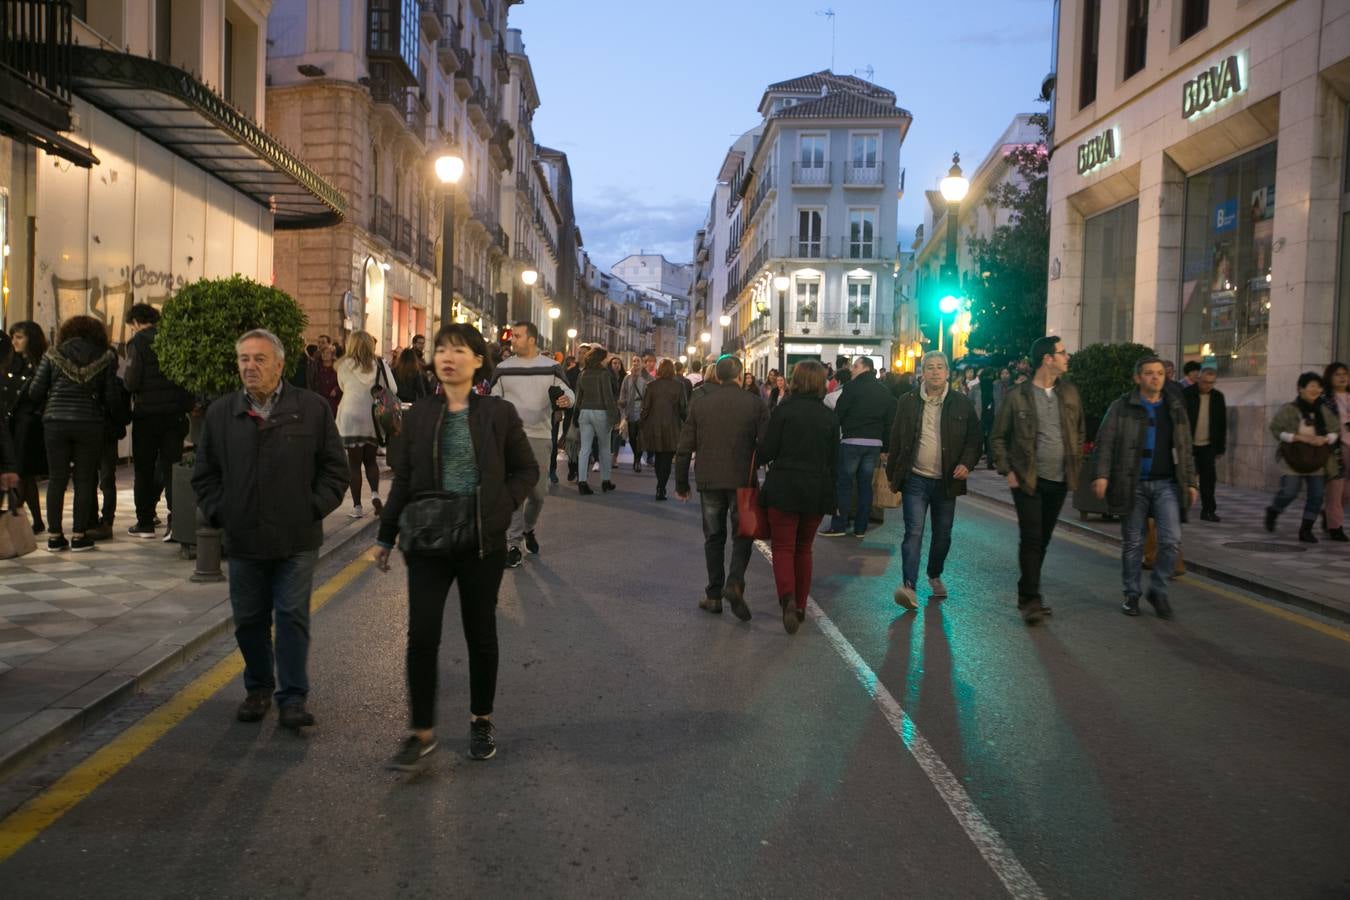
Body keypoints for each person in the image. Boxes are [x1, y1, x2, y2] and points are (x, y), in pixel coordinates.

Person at [374, 323, 537, 770]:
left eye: (459, 350)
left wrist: (501, 506)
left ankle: (481, 718)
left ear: (479, 360)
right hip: (427, 540)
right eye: (442, 349)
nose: (447, 357)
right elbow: (404, 479)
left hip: (479, 542)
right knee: (422, 635)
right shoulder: (420, 414)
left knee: (480, 633)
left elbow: (526, 470)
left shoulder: (498, 414)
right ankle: (421, 730)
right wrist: (386, 537)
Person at [192, 329, 348, 729]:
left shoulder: (311, 408)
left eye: (259, 359)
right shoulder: (221, 412)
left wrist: (312, 507)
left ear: (280, 365)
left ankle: (293, 697)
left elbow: (335, 469)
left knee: (292, 615)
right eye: (244, 359)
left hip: (296, 538)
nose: (250, 366)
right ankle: (258, 688)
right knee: (248, 619)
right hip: (243, 536)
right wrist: (220, 511)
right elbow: (204, 472)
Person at [1093, 357, 1198, 618]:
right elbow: (1104, 443)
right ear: (1137, 378)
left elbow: (1185, 447)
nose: (1155, 378)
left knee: (1171, 541)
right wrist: (1102, 475)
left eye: (1160, 373)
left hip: (1167, 484)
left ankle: (1158, 590)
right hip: (1133, 483)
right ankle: (1131, 593)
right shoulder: (1122, 407)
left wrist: (1191, 480)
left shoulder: (1174, 407)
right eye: (1149, 373)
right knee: (1133, 542)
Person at [991, 336, 1085, 624]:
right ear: (1047, 358)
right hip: (1027, 479)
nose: (1067, 357)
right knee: (1031, 538)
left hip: (1059, 479)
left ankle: (1026, 591)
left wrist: (1075, 461)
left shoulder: (1069, 393)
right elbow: (997, 437)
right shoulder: (1017, 396)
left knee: (1042, 540)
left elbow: (1079, 432)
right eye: (1062, 352)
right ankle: (1031, 599)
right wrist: (1008, 470)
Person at [885, 351, 983, 609]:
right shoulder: (907, 401)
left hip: (946, 481)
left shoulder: (961, 403)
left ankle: (934, 574)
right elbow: (896, 438)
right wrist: (892, 475)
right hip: (915, 479)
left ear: (948, 372)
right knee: (913, 532)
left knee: (943, 535)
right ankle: (909, 586)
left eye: (940, 367)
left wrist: (966, 463)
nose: (935, 372)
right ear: (922, 372)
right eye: (930, 367)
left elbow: (975, 439)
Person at [675, 355, 767, 621]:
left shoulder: (701, 404)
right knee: (744, 534)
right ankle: (735, 581)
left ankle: (714, 594)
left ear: (717, 375)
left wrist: (682, 483)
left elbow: (684, 447)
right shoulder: (755, 404)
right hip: (744, 480)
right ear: (740, 375)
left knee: (713, 537)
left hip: (709, 479)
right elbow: (766, 444)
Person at [27, 315, 119, 552]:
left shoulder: (52, 355)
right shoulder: (105, 357)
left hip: (55, 423)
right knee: (85, 479)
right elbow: (111, 398)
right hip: (89, 423)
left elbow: (35, 392)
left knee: (57, 480)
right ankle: (79, 535)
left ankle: (55, 536)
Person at [758, 360, 836, 634]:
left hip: (784, 486)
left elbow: (767, 450)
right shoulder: (829, 416)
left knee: (783, 547)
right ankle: (801, 605)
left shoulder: (784, 410)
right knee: (804, 548)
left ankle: (787, 598)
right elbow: (834, 459)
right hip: (815, 488)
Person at [490, 321, 574, 567]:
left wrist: (565, 401)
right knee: (515, 492)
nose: (512, 340)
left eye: (517, 336)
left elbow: (569, 393)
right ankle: (513, 544)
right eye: (512, 336)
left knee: (538, 493)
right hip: (511, 437)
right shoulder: (503, 368)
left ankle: (528, 528)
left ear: (531, 339)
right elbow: (493, 400)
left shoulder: (552, 367)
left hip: (540, 436)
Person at [122, 304, 193, 539]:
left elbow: (131, 381)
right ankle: (176, 521)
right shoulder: (175, 339)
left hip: (147, 415)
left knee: (143, 468)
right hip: (173, 414)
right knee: (171, 467)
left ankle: (145, 522)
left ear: (135, 322)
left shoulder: (138, 342)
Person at [822, 356, 896, 538]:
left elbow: (839, 411)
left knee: (844, 484)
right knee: (865, 485)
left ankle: (840, 524)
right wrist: (886, 447)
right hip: (874, 444)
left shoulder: (851, 388)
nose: (852, 370)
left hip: (852, 441)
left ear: (865, 368)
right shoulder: (883, 391)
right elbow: (889, 422)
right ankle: (860, 527)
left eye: (855, 366)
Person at [1265, 371, 1341, 543]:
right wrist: (1298, 437)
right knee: (1289, 492)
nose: (1316, 390)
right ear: (1300, 389)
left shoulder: (1323, 410)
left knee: (1316, 496)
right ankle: (1274, 510)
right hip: (1293, 457)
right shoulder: (1290, 409)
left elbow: (1335, 430)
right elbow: (1276, 429)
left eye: (1318, 386)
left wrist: (1325, 439)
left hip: (1317, 458)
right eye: (1311, 386)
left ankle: (1306, 530)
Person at [335, 331, 395, 518]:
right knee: (370, 461)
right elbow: (393, 389)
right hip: (372, 417)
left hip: (350, 416)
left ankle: (357, 507)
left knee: (354, 464)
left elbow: (343, 386)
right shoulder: (380, 364)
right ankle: (376, 495)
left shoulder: (343, 365)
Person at [5, 321, 48, 532]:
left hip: (29, 423)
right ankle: (36, 521)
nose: (14, 341)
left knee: (22, 472)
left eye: (19, 337)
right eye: (13, 337)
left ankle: (14, 520)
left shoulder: (40, 363)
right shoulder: (13, 362)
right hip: (15, 422)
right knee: (24, 474)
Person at [1182, 366, 1227, 522]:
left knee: (1209, 478)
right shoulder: (1186, 394)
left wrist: (1220, 447)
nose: (1208, 386)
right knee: (1184, 477)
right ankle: (1181, 509)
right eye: (1205, 382)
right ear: (1199, 379)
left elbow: (1222, 423)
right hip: (1187, 443)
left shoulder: (1217, 397)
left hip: (1208, 444)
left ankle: (1208, 510)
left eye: (1211, 383)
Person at [573, 347, 619, 494]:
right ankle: (605, 480)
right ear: (601, 359)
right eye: (606, 358)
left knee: (584, 449)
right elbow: (608, 396)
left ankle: (582, 481)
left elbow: (578, 396)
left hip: (584, 412)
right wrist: (614, 416)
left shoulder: (583, 373)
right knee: (605, 447)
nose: (607, 360)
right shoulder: (604, 374)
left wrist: (576, 414)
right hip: (600, 412)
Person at [640, 358, 687, 501]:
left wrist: (642, 422)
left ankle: (660, 486)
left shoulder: (651, 386)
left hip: (655, 426)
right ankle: (661, 487)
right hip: (672, 426)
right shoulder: (679, 386)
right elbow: (682, 408)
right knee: (666, 458)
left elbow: (645, 407)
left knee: (658, 457)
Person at [1322, 362, 1350, 541]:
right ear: (1330, 378)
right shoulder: (1325, 399)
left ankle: (1328, 515)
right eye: (1338, 374)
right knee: (1335, 488)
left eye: (1345, 374)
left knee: (1347, 492)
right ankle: (1335, 526)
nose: (1342, 377)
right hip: (1335, 448)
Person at [619, 356, 652, 472]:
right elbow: (623, 392)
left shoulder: (647, 378)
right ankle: (636, 456)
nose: (635, 363)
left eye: (638, 361)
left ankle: (637, 460)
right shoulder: (627, 378)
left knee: (641, 437)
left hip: (643, 410)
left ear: (642, 363)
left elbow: (651, 394)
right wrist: (622, 403)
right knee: (632, 437)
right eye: (633, 361)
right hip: (630, 410)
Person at [968, 368, 998, 469]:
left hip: (992, 416)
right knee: (978, 441)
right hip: (979, 416)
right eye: (987, 376)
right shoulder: (975, 388)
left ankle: (990, 461)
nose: (989, 378)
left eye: (990, 376)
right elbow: (970, 402)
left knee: (991, 440)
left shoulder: (995, 388)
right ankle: (973, 461)